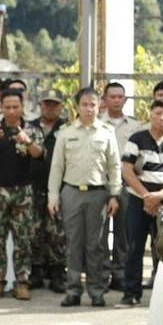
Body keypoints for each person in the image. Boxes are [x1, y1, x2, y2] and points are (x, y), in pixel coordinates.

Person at [48, 88, 122, 308]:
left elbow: (114, 166)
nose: (89, 109)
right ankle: (73, 290)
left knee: (96, 245)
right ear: (77, 107)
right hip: (71, 192)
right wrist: (53, 196)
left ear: (99, 107)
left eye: (93, 105)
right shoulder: (65, 133)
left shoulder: (107, 133)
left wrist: (114, 195)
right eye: (84, 104)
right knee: (73, 244)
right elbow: (57, 166)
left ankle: (96, 291)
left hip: (98, 194)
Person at [0, 88, 43, 301]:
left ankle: (22, 282)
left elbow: (39, 154)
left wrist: (27, 141)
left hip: (23, 191)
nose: (12, 111)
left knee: (23, 239)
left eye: (15, 107)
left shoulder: (32, 129)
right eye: (7, 107)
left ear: (22, 106)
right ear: (1, 107)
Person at [119, 101, 163, 306]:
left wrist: (161, 195)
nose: (162, 118)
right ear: (151, 115)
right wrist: (148, 196)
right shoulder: (136, 140)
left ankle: (162, 297)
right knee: (134, 248)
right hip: (138, 202)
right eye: (158, 113)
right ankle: (131, 294)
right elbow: (127, 171)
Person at [27, 90, 69, 293]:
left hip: (59, 188)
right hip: (33, 186)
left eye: (55, 104)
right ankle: (35, 271)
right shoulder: (29, 127)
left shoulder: (67, 128)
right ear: (40, 105)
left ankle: (57, 273)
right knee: (34, 230)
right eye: (47, 104)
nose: (50, 108)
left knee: (57, 233)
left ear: (61, 107)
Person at [99, 81, 139, 288]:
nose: (116, 100)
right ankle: (102, 273)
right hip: (101, 183)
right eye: (112, 96)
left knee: (124, 231)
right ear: (105, 100)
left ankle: (120, 273)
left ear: (125, 99)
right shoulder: (97, 123)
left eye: (120, 97)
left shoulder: (135, 126)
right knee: (101, 232)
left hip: (127, 183)